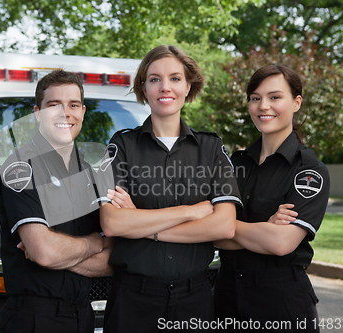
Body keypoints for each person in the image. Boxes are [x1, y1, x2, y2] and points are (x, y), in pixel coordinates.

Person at [99, 45, 242, 333]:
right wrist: (191, 212)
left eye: (175, 78)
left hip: (195, 300)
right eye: (155, 79)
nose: (165, 87)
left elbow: (225, 225)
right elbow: (113, 222)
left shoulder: (212, 148)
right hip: (133, 300)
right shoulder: (121, 146)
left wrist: (143, 225)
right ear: (144, 88)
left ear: (188, 86)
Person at [214, 64, 330, 332]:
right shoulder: (234, 164)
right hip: (224, 300)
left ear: (296, 102)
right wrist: (262, 227)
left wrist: (224, 225)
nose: (263, 106)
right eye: (255, 98)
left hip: (280, 305)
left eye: (275, 97)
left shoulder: (308, 171)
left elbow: (281, 242)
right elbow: (210, 234)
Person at [0, 69, 113, 333]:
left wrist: (57, 252)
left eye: (72, 105)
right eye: (53, 105)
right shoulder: (18, 168)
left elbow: (113, 260)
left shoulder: (91, 174)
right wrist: (97, 242)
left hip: (84, 315)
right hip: (34, 319)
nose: (65, 113)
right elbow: (45, 252)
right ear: (37, 113)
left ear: (82, 112)